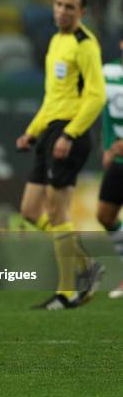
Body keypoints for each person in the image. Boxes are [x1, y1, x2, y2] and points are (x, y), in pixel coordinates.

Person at [15, 0, 107, 310]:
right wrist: (32, 132)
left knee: (57, 211)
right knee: (29, 210)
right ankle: (86, 265)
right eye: (58, 5)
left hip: (71, 133)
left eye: (70, 6)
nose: (62, 11)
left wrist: (70, 134)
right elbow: (51, 99)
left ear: (82, 11)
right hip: (51, 131)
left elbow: (96, 96)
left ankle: (67, 292)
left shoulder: (85, 45)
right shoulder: (56, 42)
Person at [96, 39, 123, 299]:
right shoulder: (109, 72)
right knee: (105, 215)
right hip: (118, 159)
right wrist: (108, 146)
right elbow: (104, 110)